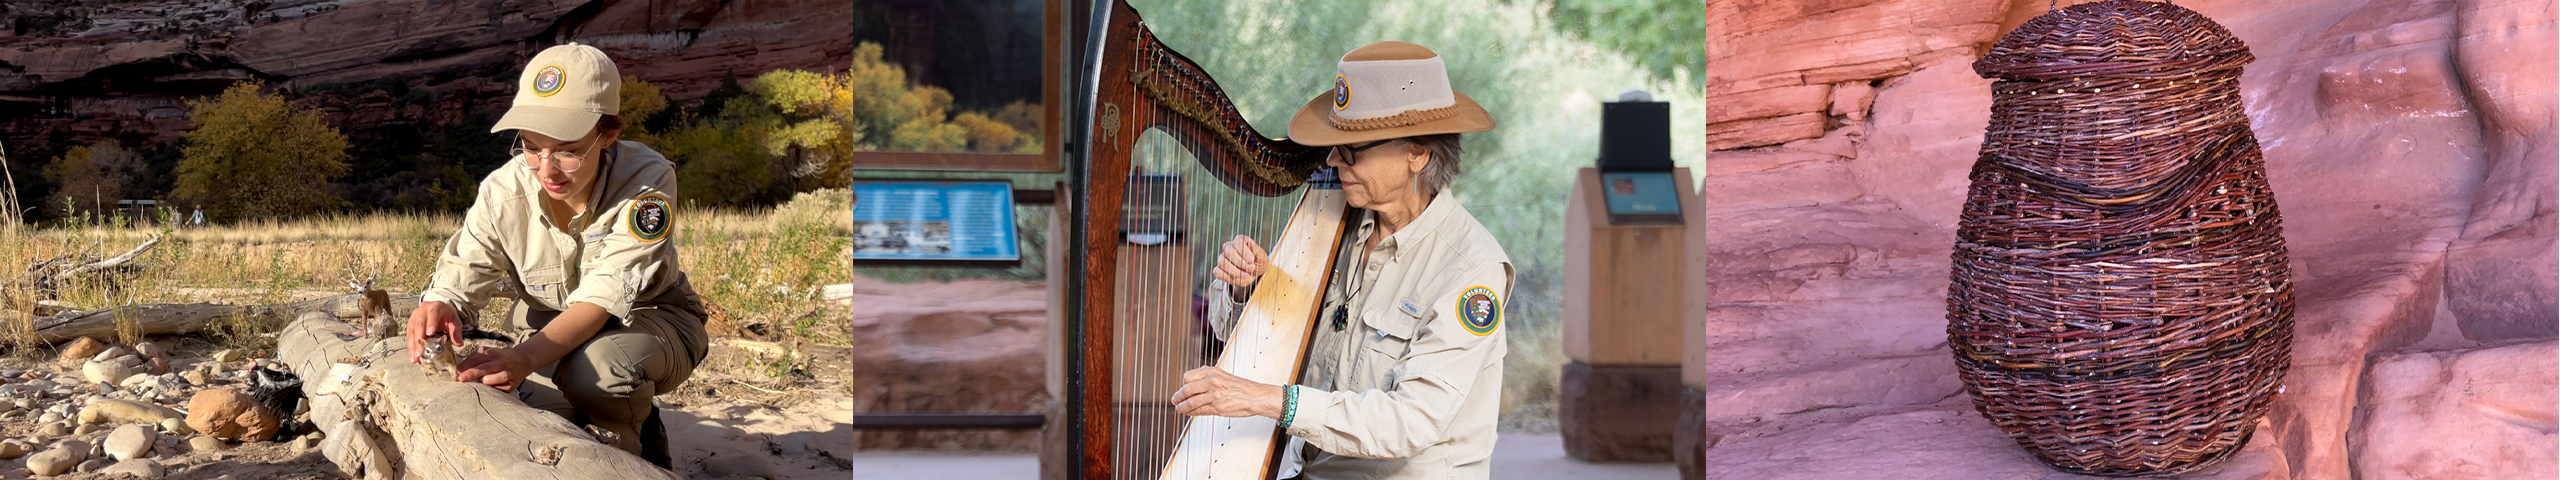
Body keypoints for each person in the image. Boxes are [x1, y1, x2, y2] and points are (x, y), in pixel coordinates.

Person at [1171, 41, 1512, 480]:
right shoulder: (1336, 220)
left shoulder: (1471, 270)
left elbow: (1411, 422)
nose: (1333, 160)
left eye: (1354, 147)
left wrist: (1265, 399)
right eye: (1335, 144)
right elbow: (1238, 332)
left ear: (1418, 153)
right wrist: (1247, 287)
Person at [404, 42, 709, 468]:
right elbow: (466, 266)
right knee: (510, 393)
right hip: (554, 330)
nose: (546, 169)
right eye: (530, 146)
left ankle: (638, 453)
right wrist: (441, 303)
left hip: (654, 320)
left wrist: (525, 358)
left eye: (567, 150)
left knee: (599, 372)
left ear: (608, 135)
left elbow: (605, 295)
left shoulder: (647, 181)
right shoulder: (502, 190)